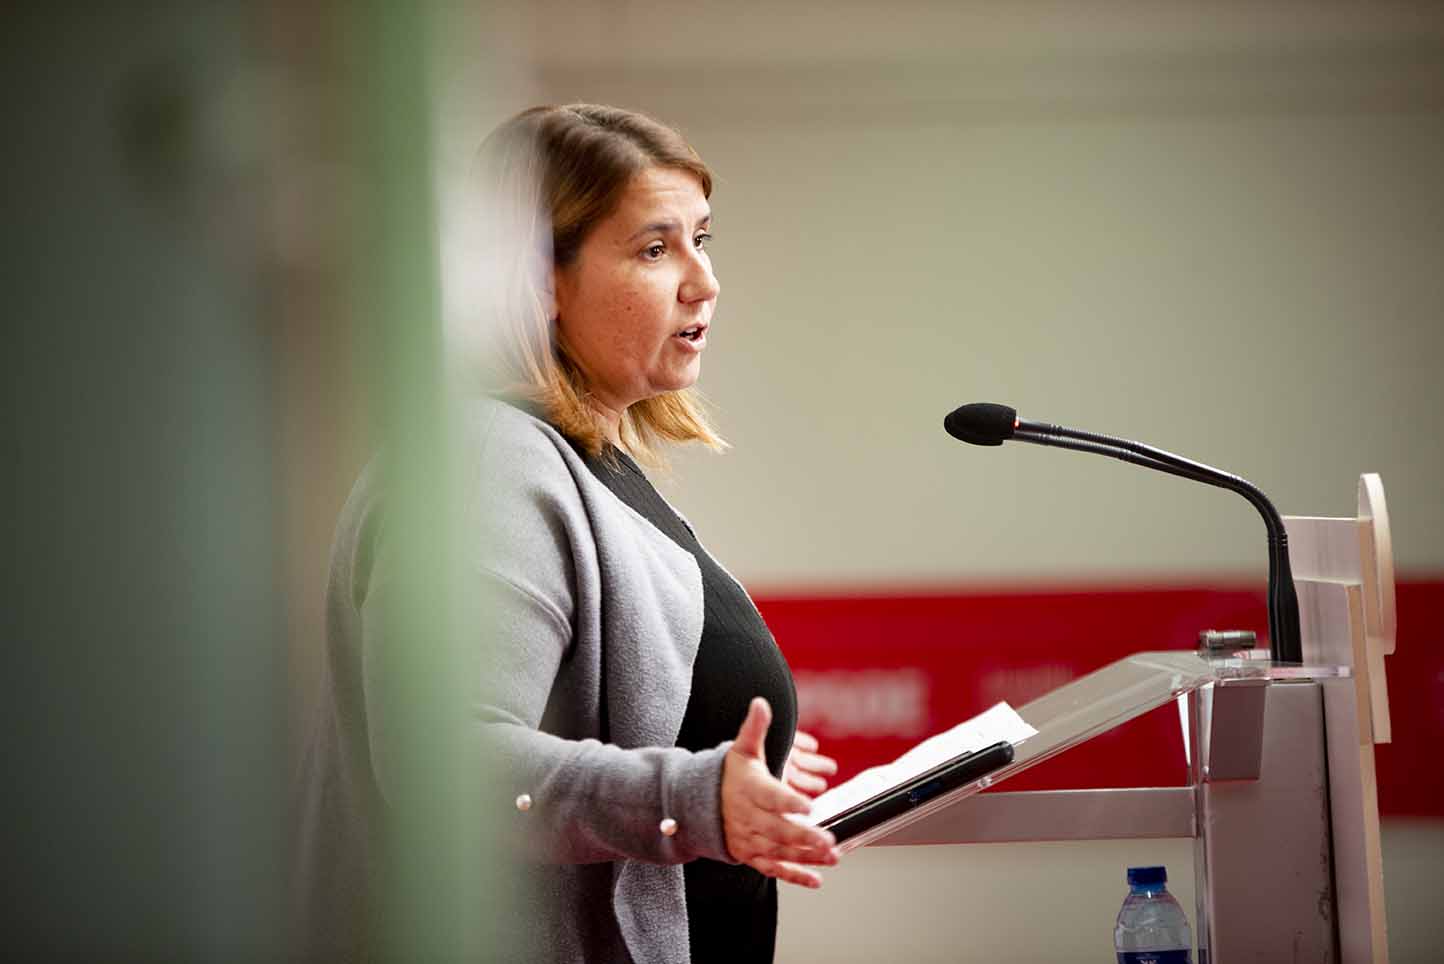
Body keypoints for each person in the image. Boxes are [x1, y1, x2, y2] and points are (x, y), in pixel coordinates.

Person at [295, 104, 841, 963]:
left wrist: (730, 755)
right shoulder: (489, 458)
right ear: (536, 282)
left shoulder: (580, 460)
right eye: (655, 249)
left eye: (703, 237)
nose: (705, 281)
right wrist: (692, 794)